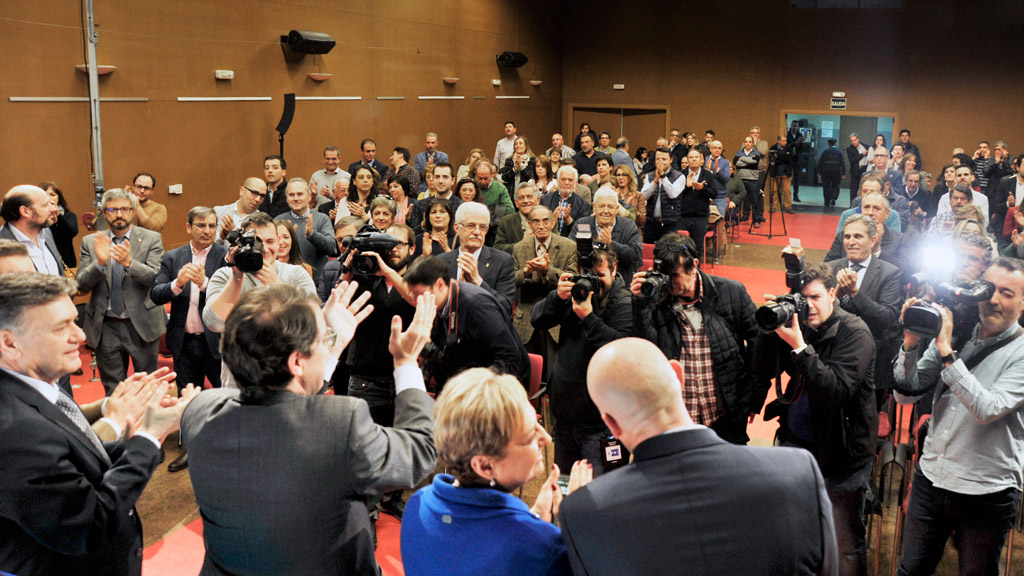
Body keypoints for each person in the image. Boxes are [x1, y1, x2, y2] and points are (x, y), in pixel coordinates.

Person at [183, 281, 437, 576]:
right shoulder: (343, 423)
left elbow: (287, 414)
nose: (329, 343)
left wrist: (333, 347)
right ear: (296, 362)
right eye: (323, 339)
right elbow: (419, 453)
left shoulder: (200, 411)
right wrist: (406, 362)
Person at [558, 337, 838, 576]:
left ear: (611, 423)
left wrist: (584, 504)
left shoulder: (584, 514)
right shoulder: (798, 471)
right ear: (678, 376)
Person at [0, 272, 198, 576]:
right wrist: (149, 437)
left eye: (74, 321)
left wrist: (136, 428)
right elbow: (91, 526)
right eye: (60, 327)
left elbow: (72, 464)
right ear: (10, 344)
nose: (80, 337)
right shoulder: (16, 430)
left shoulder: (31, 389)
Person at [893, 257, 1024, 576]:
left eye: (1007, 293)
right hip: (932, 477)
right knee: (910, 571)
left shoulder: (1019, 351)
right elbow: (904, 393)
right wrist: (910, 344)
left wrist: (947, 353)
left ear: (1022, 303)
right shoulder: (957, 333)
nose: (993, 300)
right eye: (990, 290)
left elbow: (987, 409)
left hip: (987, 490)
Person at [401, 368, 593, 576]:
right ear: (484, 466)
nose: (546, 438)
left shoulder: (417, 504)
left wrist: (532, 517)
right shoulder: (543, 546)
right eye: (530, 435)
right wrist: (577, 535)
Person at [754, 261, 877, 576]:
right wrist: (770, 330)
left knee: (844, 542)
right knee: (792, 531)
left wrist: (800, 347)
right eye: (802, 298)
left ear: (833, 294)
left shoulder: (855, 332)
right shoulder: (800, 326)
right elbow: (763, 370)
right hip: (797, 445)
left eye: (816, 297)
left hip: (842, 455)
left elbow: (837, 390)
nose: (808, 306)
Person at [630, 233, 763, 444]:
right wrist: (641, 304)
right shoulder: (656, 302)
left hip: (726, 416)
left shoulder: (731, 293)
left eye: (675, 275)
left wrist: (753, 398)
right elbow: (647, 353)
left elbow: (760, 346)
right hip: (677, 419)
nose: (669, 283)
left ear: (694, 265)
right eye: (663, 276)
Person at [531, 247, 632, 475]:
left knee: (602, 495)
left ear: (614, 270)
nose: (592, 283)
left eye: (599, 276)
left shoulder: (624, 301)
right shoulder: (576, 293)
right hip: (566, 418)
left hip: (601, 425)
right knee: (565, 489)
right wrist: (557, 298)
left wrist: (588, 317)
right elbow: (537, 319)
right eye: (587, 274)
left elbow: (622, 347)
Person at [150, 206, 228, 473]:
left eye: (211, 226)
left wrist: (206, 283)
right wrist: (178, 284)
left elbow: (232, 294)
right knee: (188, 398)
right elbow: (156, 294)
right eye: (201, 225)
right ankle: (192, 451)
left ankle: (224, 448)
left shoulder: (226, 256)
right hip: (183, 342)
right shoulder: (172, 257)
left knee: (223, 396)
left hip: (216, 341)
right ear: (188, 227)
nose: (207, 231)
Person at [203, 211, 318, 388]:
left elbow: (312, 323)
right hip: (238, 386)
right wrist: (236, 276)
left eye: (270, 241)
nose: (264, 248)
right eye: (256, 241)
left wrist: (277, 286)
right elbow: (214, 323)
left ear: (279, 243)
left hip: (288, 385)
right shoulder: (224, 276)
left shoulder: (296, 274)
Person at [77, 188, 167, 395]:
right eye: (113, 209)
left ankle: (146, 427)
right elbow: (81, 285)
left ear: (133, 211)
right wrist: (99, 264)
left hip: (142, 325)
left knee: (147, 387)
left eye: (124, 209)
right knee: (113, 389)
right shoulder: (91, 242)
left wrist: (129, 263)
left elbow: (155, 277)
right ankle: (118, 427)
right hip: (106, 325)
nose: (119, 214)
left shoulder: (151, 238)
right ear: (104, 213)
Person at [404, 256, 530, 390]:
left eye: (418, 294)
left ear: (439, 285)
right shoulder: (438, 303)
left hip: (499, 387)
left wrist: (473, 387)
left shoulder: (477, 306)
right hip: (463, 379)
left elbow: (510, 357)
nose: (415, 300)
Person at [826, 215, 903, 401]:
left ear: (873, 240)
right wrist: (835, 297)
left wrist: (855, 294)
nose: (851, 242)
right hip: (831, 356)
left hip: (870, 359)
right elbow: (818, 314)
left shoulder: (890, 273)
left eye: (858, 236)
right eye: (847, 236)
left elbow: (886, 318)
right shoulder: (829, 268)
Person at [512, 205, 578, 382]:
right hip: (525, 318)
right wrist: (525, 272)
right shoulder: (519, 248)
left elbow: (571, 281)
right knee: (526, 377)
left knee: (552, 378)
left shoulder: (569, 247)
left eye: (545, 221)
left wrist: (548, 270)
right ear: (529, 224)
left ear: (553, 222)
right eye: (536, 221)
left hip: (556, 320)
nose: (541, 225)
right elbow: (510, 280)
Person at [437, 202, 516, 315]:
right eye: (471, 226)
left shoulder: (503, 261)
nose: (477, 232)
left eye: (482, 227)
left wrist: (478, 282)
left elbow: (505, 307)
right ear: (457, 228)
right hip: (448, 330)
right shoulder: (440, 262)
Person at [569, 187, 643, 281]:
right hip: (587, 281)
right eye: (601, 206)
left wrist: (611, 244)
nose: (606, 211)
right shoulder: (582, 224)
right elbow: (570, 253)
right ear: (594, 207)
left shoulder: (628, 226)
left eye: (610, 207)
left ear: (616, 209)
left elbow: (635, 257)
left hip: (620, 283)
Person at [275, 178, 339, 283]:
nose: (295, 198)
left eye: (300, 194)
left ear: (309, 197)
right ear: (286, 199)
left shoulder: (322, 218)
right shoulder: (278, 221)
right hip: (285, 282)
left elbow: (331, 248)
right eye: (291, 195)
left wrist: (312, 235)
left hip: (317, 282)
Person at [0, 184, 63, 276]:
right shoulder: (3, 244)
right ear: (25, 211)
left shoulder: (46, 233)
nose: (53, 209)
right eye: (45, 205)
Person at [640, 147, 687, 240]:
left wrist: (662, 176)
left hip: (670, 223)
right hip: (651, 223)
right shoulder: (649, 176)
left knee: (668, 252)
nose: (660, 162)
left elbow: (673, 194)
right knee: (649, 251)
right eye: (658, 159)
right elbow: (643, 197)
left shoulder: (679, 176)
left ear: (671, 160)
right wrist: (655, 182)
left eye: (664, 159)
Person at [541, 165, 593, 237]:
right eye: (563, 179)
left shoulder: (584, 205)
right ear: (558, 181)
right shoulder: (545, 200)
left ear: (575, 183)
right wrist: (552, 219)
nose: (567, 183)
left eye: (570, 180)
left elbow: (584, 232)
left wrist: (569, 221)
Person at [214, 177, 266, 244]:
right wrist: (221, 236)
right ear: (242, 191)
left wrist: (235, 232)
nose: (258, 199)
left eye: (262, 196)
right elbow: (204, 244)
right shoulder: (218, 212)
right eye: (254, 193)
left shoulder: (263, 221)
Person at [494, 182, 541, 255]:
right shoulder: (506, 222)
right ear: (516, 203)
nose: (525, 201)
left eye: (529, 197)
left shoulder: (548, 220)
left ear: (538, 200)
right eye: (521, 198)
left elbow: (556, 246)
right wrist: (521, 245)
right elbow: (498, 248)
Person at [40, 181, 79, 267]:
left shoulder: (68, 215)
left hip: (65, 263)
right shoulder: (36, 218)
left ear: (59, 198)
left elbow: (71, 233)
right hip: (43, 262)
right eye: (44, 195)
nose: (49, 198)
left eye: (52, 195)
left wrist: (58, 217)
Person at [733, 136, 763, 225]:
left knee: (754, 201)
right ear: (744, 143)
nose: (748, 143)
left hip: (752, 180)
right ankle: (736, 219)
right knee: (738, 201)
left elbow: (755, 162)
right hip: (740, 179)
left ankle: (756, 220)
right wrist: (749, 161)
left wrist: (742, 159)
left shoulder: (756, 152)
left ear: (752, 144)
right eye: (746, 141)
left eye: (750, 142)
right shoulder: (739, 152)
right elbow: (735, 163)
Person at [704, 140, 732, 218]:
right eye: (715, 148)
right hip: (705, 196)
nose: (717, 150)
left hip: (720, 197)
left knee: (719, 222)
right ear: (710, 149)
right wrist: (707, 172)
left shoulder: (725, 162)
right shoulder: (704, 160)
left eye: (719, 148)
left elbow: (726, 179)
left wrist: (718, 171)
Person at [769, 135, 796, 213]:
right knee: (774, 191)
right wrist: (784, 157)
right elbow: (773, 160)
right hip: (775, 173)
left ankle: (788, 207)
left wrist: (779, 157)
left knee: (787, 191)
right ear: (779, 141)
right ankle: (774, 207)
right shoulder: (773, 148)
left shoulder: (789, 148)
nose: (785, 143)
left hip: (786, 173)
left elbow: (790, 159)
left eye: (786, 141)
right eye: (783, 141)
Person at [818, 138, 846, 210]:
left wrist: (819, 172)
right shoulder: (839, 152)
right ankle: (833, 198)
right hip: (836, 171)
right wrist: (843, 173)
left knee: (826, 186)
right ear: (835, 144)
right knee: (835, 185)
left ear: (829, 144)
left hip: (826, 171)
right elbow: (843, 163)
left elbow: (820, 162)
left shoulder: (825, 152)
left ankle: (826, 202)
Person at [847, 133, 871, 204]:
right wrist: (862, 154)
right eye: (852, 141)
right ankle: (852, 204)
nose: (854, 142)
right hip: (855, 171)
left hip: (865, 170)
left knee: (865, 188)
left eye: (855, 140)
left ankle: (864, 203)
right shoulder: (850, 149)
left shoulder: (866, 147)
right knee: (853, 189)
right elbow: (852, 160)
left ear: (858, 139)